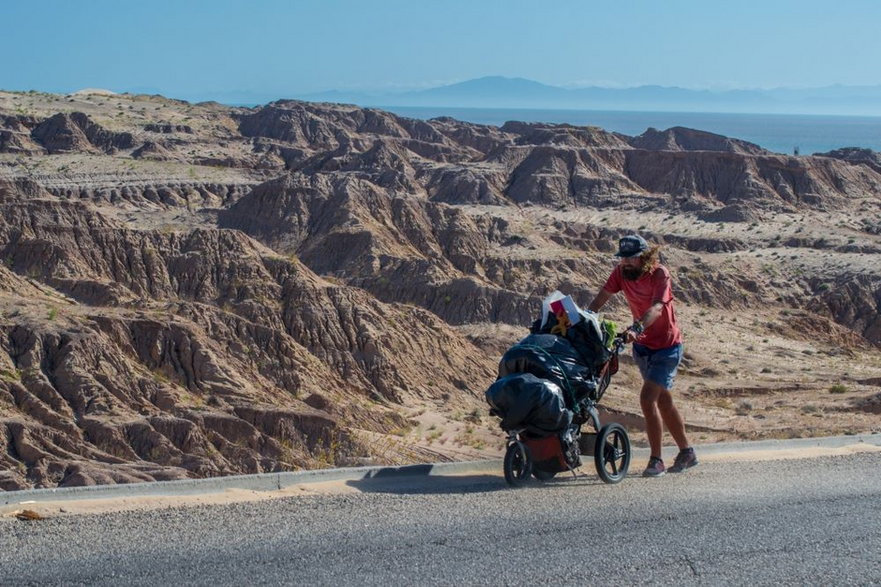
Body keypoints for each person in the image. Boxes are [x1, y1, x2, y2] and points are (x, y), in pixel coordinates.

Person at [587, 234, 698, 477]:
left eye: (631, 258)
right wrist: (585, 317)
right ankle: (687, 452)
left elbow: (658, 307)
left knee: (648, 399)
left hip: (667, 347)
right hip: (643, 349)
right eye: (622, 258)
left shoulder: (660, 274)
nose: (625, 262)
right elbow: (602, 297)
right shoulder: (621, 273)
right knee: (664, 401)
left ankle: (656, 460)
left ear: (644, 257)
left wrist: (636, 328)